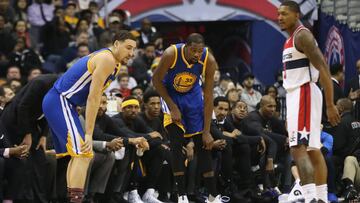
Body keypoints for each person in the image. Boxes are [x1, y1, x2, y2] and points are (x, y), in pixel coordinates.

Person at [42, 30, 136, 203]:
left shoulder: (113, 61)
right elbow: (93, 98)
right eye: (128, 48)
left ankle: (72, 199)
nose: (131, 53)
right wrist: (88, 133)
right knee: (84, 154)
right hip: (61, 101)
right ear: (116, 44)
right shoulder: (107, 59)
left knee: (79, 155)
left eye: (133, 50)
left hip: (64, 103)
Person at [278, 1, 340, 203]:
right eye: (279, 13)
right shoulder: (290, 40)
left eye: (285, 14)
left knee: (298, 149)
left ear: (297, 15)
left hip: (303, 93)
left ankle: (310, 198)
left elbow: (323, 68)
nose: (280, 17)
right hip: (299, 94)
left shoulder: (302, 35)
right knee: (313, 150)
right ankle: (321, 199)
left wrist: (330, 105)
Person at [152, 33, 221, 203]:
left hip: (193, 96)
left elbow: (209, 96)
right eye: (194, 51)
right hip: (171, 95)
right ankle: (181, 195)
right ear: (186, 47)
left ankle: (213, 196)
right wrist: (173, 107)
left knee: (202, 144)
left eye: (200, 51)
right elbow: (156, 80)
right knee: (176, 143)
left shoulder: (209, 60)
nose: (197, 54)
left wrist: (206, 131)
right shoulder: (171, 54)